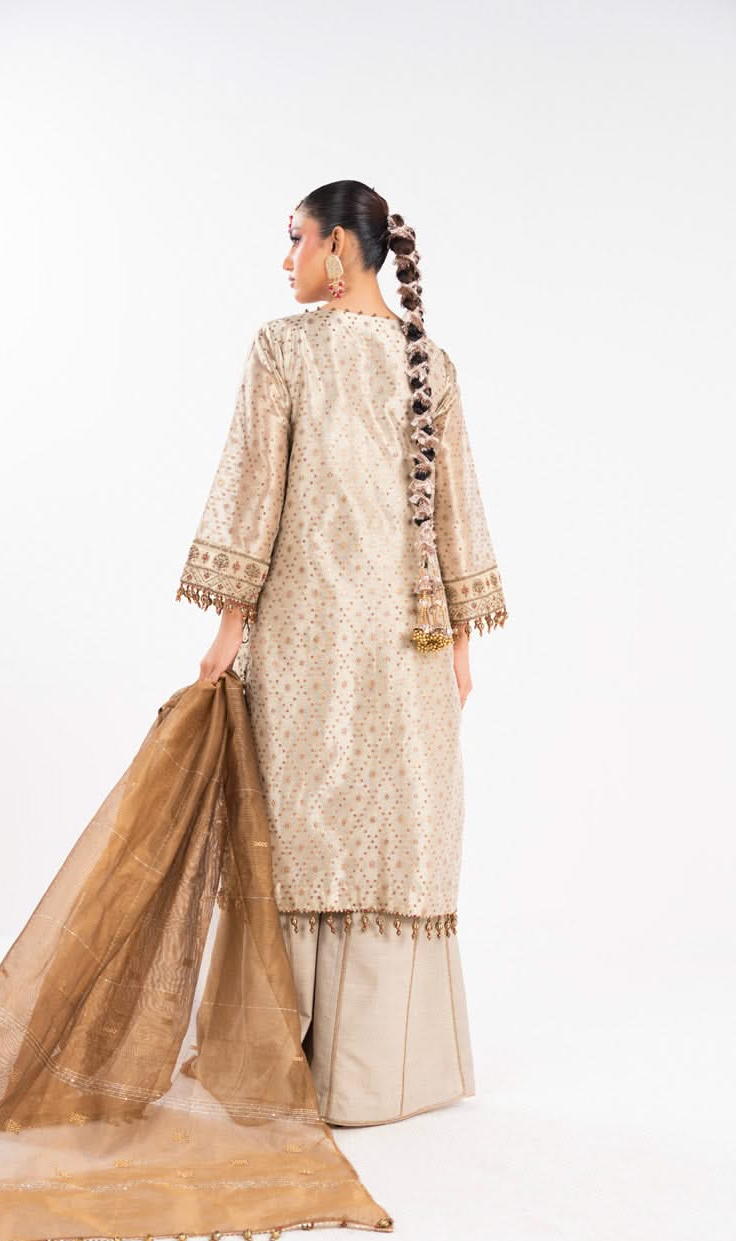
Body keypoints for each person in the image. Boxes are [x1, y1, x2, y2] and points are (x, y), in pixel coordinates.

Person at [176, 179, 508, 1128]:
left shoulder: (286, 348)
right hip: (409, 636)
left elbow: (253, 487)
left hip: (310, 634)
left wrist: (227, 628)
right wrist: (457, 640)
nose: (285, 259)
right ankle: (381, 1079)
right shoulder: (423, 359)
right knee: (395, 824)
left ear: (336, 249)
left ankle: (281, 1066)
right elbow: (458, 507)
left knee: (301, 822)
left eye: (295, 239)